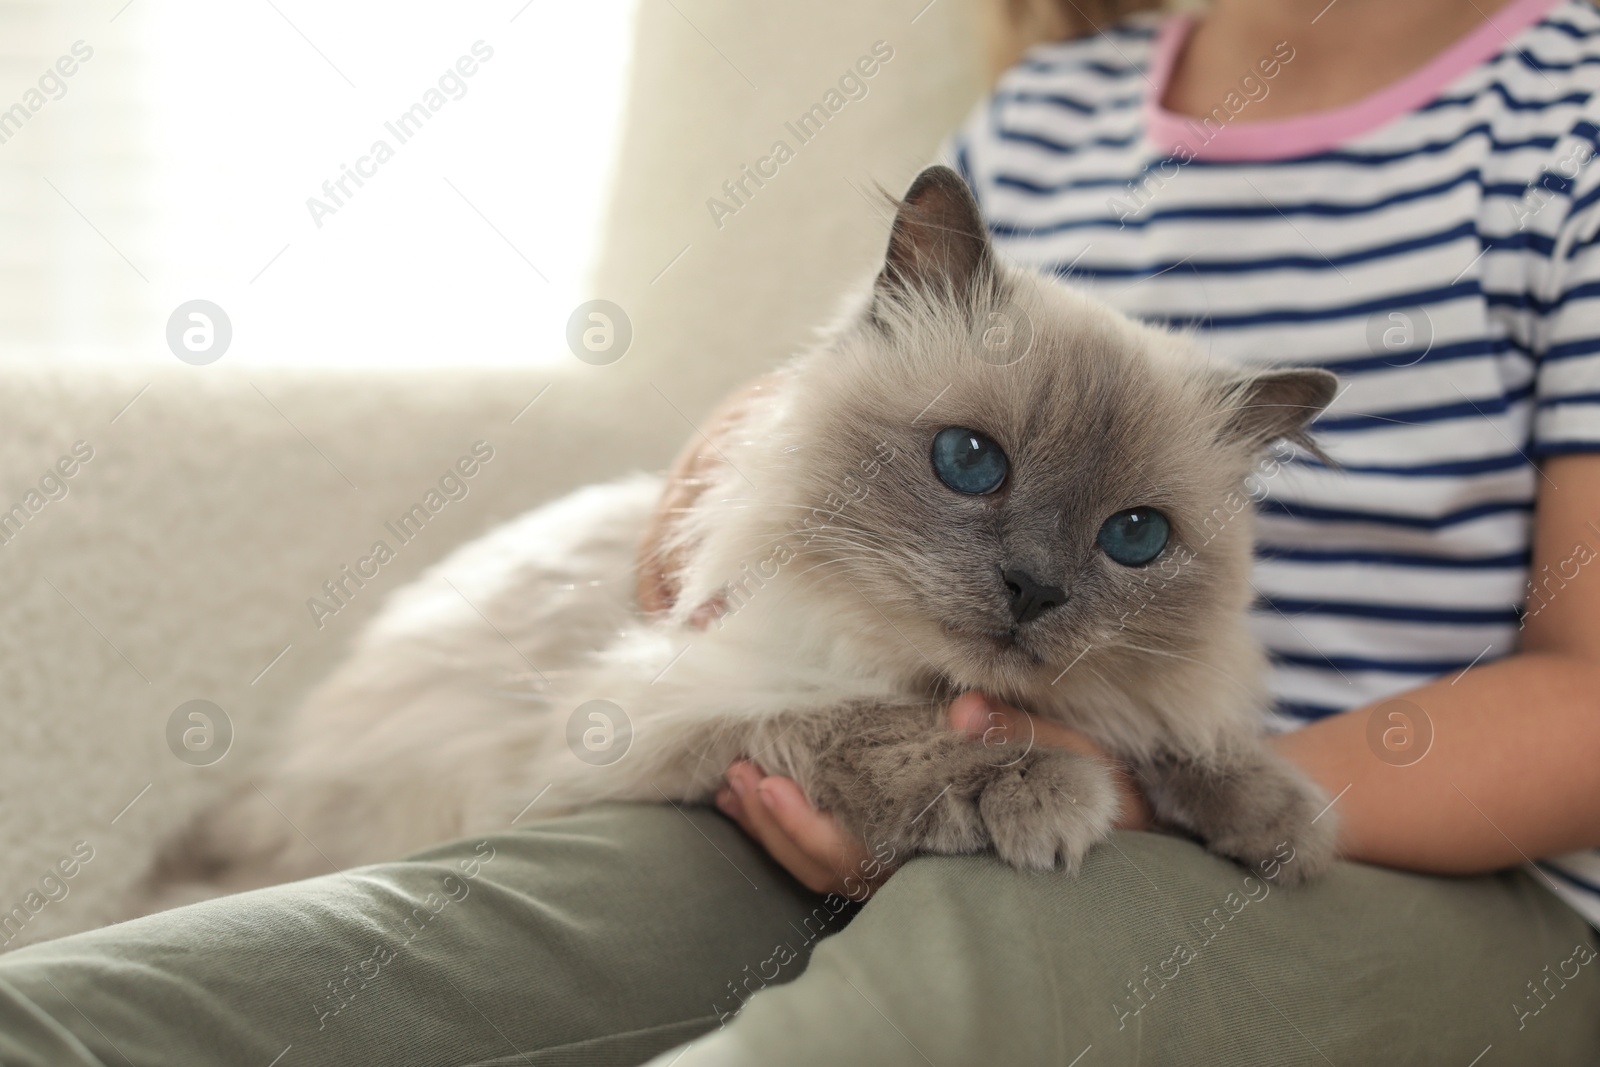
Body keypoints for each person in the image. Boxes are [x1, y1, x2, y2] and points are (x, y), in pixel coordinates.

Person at [2, 0, 1598, 1064]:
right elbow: (791, 452)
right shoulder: (1048, 121)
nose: (1038, 579)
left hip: (1410, 875)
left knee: (934, 996)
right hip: (894, 772)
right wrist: (727, 496)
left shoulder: (1571, 113)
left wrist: (1161, 796)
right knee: (385, 960)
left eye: (1112, 540)